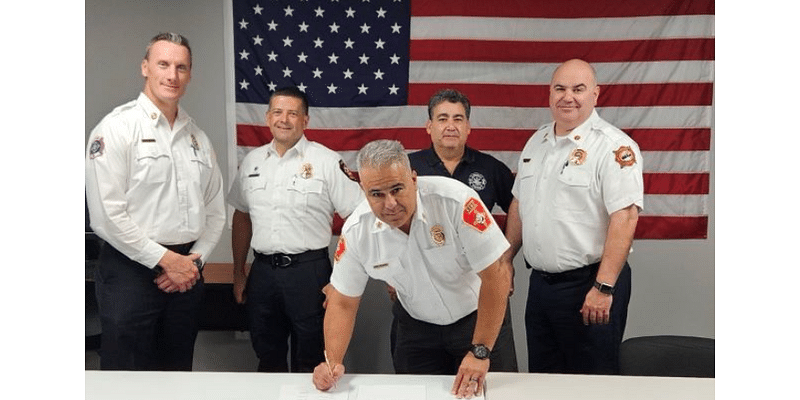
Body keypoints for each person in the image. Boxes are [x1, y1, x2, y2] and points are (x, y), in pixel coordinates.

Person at [312, 140, 515, 399]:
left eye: (397, 189)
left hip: (478, 320)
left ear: (414, 179)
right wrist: (332, 362)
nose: (390, 204)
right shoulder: (357, 231)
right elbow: (342, 301)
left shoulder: (456, 201)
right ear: (364, 191)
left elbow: (496, 275)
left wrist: (480, 351)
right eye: (377, 194)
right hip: (417, 330)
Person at [85, 32, 226, 370]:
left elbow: (216, 211)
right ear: (145, 67)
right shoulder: (117, 128)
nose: (171, 75)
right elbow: (106, 217)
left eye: (181, 67)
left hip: (186, 274)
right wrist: (166, 260)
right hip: (130, 273)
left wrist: (194, 261)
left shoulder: (197, 138)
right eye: (163, 64)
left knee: (177, 374)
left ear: (190, 74)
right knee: (126, 378)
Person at [503, 59, 644, 374]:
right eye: (560, 88)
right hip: (541, 287)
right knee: (543, 379)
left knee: (591, 383)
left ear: (596, 94)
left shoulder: (614, 147)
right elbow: (519, 203)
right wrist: (506, 260)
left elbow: (625, 219)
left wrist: (604, 286)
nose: (568, 97)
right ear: (549, 94)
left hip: (590, 285)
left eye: (578, 89)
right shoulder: (536, 142)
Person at [227, 86, 363, 372]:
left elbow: (356, 217)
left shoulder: (326, 161)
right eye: (278, 112)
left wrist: (340, 278)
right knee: (267, 354)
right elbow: (242, 216)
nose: (284, 119)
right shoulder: (252, 162)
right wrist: (239, 272)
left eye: (293, 113)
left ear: (306, 121)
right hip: (262, 273)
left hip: (309, 273)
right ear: (267, 117)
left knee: (311, 357)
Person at [404, 88, 518, 371]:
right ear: (429, 126)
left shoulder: (491, 169)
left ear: (468, 127)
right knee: (424, 385)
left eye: (458, 118)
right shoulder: (407, 168)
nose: (451, 125)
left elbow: (519, 205)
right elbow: (384, 220)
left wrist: (505, 258)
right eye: (442, 118)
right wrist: (394, 275)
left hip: (481, 293)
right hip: (423, 297)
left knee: (492, 382)